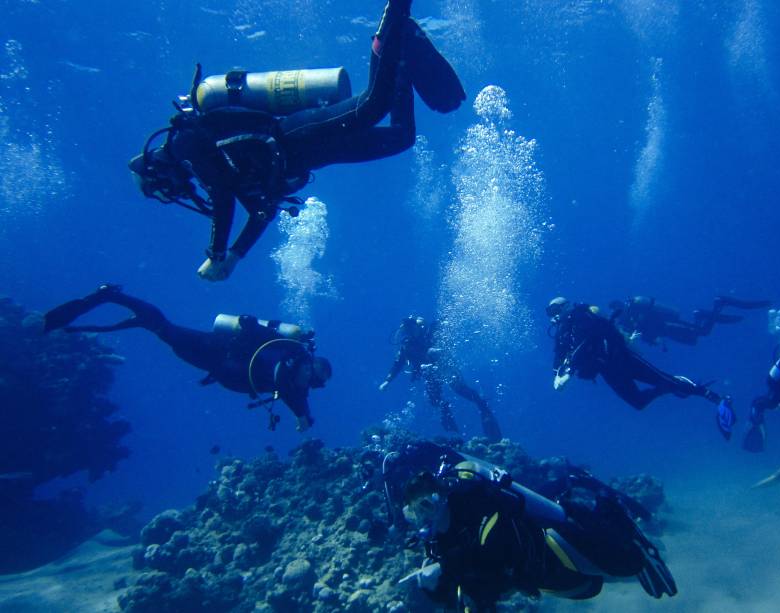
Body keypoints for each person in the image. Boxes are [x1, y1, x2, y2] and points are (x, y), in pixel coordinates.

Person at [129, 0, 465, 281]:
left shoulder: (184, 144)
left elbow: (221, 196)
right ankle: (401, 52)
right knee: (400, 138)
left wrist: (217, 253)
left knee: (372, 105)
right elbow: (261, 211)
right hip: (306, 156)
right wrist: (234, 255)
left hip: (290, 136)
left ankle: (393, 20)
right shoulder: (211, 166)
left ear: (157, 170)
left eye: (159, 187)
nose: (172, 190)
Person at [391, 446, 677, 611]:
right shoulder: (439, 544)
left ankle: (614, 513)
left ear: (441, 498)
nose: (422, 518)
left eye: (426, 506)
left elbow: (495, 543)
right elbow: (467, 594)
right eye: (413, 513)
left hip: (556, 544)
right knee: (597, 584)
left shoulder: (474, 502)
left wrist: (448, 565)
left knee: (629, 564)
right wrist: (431, 586)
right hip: (543, 578)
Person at [43, 285, 331, 431]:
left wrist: (304, 416)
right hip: (217, 349)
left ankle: (133, 313)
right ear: (310, 363)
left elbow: (295, 396)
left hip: (217, 366)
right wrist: (302, 415)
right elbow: (282, 378)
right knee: (166, 330)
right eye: (313, 372)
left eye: (315, 380)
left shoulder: (298, 385)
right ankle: (114, 296)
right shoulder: (292, 356)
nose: (310, 378)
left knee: (165, 333)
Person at [546, 297, 736, 440]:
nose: (553, 314)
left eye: (555, 309)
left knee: (666, 379)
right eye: (550, 311)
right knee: (638, 403)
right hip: (609, 372)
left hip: (625, 360)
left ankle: (711, 395)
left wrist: (569, 372)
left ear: (565, 306)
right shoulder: (563, 331)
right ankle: (670, 385)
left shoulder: (582, 315)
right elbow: (559, 353)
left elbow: (585, 340)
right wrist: (556, 374)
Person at [378, 315, 502, 442]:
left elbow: (446, 334)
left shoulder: (432, 333)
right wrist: (387, 381)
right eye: (407, 331)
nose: (410, 333)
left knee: (460, 390)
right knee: (436, 401)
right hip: (430, 373)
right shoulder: (407, 346)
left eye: (412, 329)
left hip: (445, 368)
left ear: (419, 327)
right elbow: (397, 364)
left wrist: (441, 351)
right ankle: (452, 430)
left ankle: (484, 410)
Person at [610, 295, 770, 349]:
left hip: (667, 326)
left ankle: (718, 304)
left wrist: (652, 339)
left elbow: (645, 329)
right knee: (696, 338)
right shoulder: (629, 316)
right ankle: (702, 314)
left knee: (702, 332)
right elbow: (643, 332)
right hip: (667, 329)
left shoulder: (629, 316)